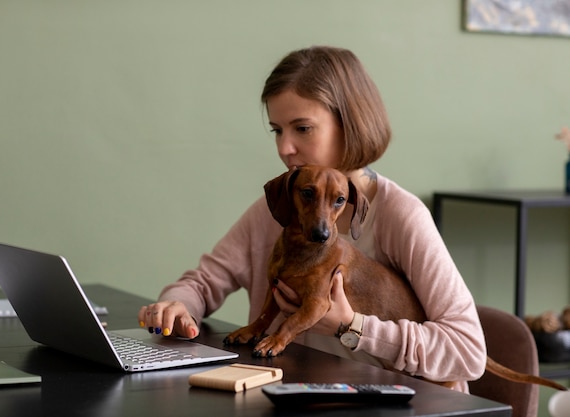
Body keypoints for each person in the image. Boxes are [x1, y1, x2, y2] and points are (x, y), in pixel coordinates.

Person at [138, 45, 486, 392]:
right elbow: (204, 281)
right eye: (277, 130)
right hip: (294, 392)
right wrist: (178, 305)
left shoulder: (401, 215)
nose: (284, 148)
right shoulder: (280, 207)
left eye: (302, 129)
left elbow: (468, 351)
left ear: (350, 125)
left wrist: (351, 326)